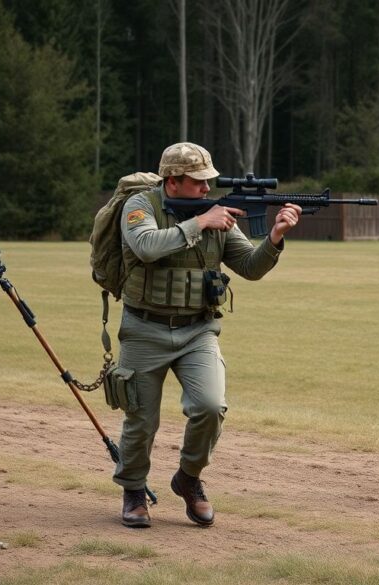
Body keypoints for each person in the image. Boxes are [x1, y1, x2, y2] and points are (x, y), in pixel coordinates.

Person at [113, 142, 301, 528]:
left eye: (207, 182)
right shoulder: (140, 207)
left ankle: (188, 478)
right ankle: (134, 491)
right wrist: (200, 222)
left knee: (211, 406)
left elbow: (250, 266)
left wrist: (276, 238)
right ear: (173, 181)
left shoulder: (216, 215)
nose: (205, 188)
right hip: (144, 328)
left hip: (198, 330)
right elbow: (145, 247)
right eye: (197, 182)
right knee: (141, 420)